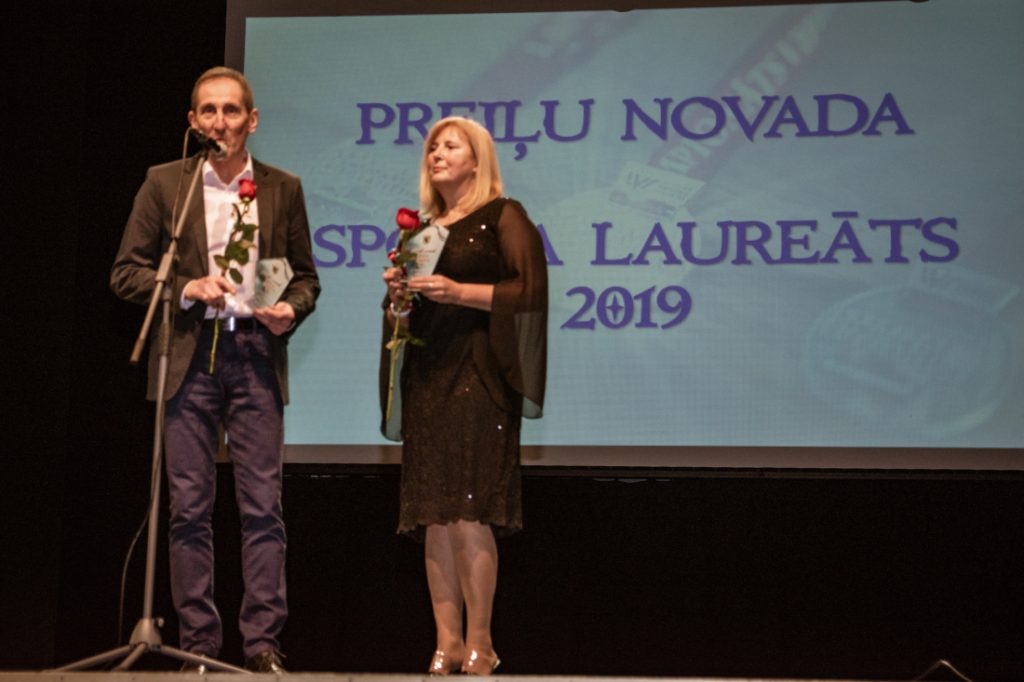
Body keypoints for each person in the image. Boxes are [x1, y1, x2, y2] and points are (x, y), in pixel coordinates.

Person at [110, 66, 320, 673]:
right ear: (193, 121)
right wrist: (186, 287)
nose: (220, 121)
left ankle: (262, 646)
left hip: (254, 355)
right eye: (209, 111)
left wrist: (290, 309)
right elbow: (126, 273)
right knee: (189, 509)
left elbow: (305, 278)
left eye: (231, 111)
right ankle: (198, 646)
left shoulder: (283, 188)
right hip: (187, 356)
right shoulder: (165, 184)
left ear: (252, 120)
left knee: (262, 508)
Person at [381, 117, 547, 675]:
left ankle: (481, 643)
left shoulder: (504, 215)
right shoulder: (421, 230)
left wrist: (459, 292)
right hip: (429, 376)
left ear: (477, 160)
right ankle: (446, 643)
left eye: (450, 146)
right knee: (434, 516)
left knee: (470, 512)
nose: (437, 153)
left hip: (480, 375)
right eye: (432, 146)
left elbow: (529, 291)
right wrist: (398, 300)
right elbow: (405, 317)